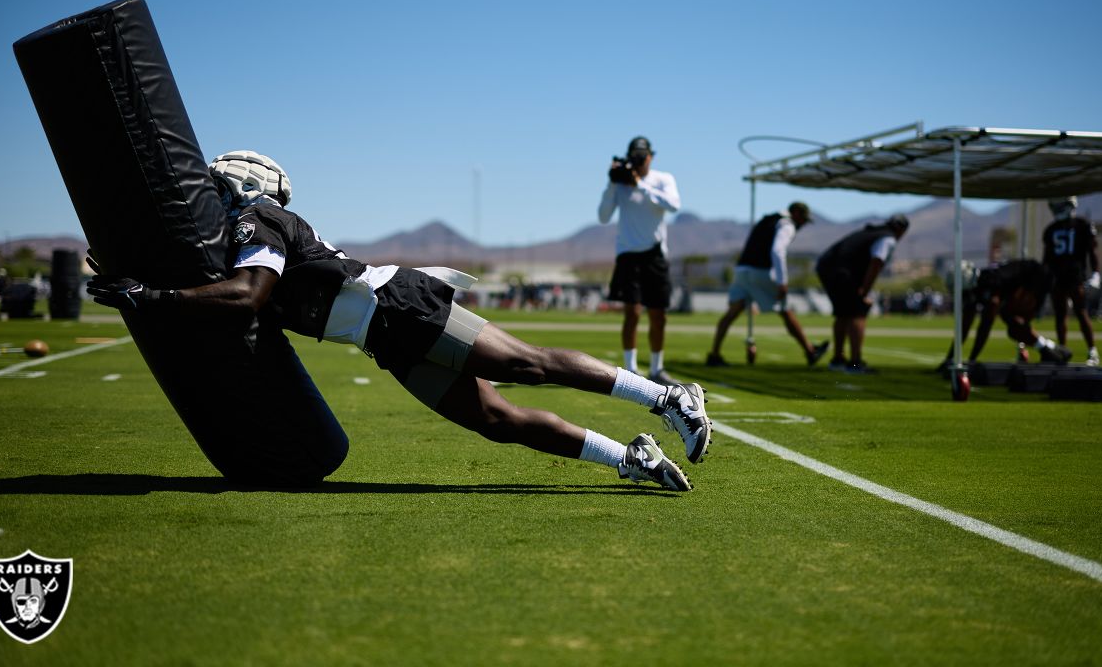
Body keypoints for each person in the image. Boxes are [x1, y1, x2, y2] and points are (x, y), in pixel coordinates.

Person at [87, 151, 712, 491]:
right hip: (380, 338)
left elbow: (246, 297)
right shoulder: (243, 236)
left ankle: (667, 397)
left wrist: (153, 296)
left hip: (398, 307)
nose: (212, 194)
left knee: (527, 364)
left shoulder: (260, 220)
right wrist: (134, 265)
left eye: (219, 184)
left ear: (243, 182)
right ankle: (628, 457)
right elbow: (220, 282)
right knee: (496, 419)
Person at [705, 201, 828, 367]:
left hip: (742, 271)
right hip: (759, 271)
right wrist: (782, 281)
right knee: (785, 310)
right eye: (804, 220)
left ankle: (714, 354)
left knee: (732, 313)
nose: (803, 225)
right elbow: (777, 251)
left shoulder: (767, 220)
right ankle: (810, 351)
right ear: (797, 214)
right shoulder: (787, 225)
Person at [598, 136, 680, 383]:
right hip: (628, 255)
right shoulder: (620, 184)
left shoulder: (663, 179)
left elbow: (674, 205)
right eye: (634, 157)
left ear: (650, 157)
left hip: (655, 254)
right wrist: (612, 183)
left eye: (642, 157)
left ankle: (657, 368)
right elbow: (603, 216)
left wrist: (640, 184)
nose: (639, 162)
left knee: (658, 314)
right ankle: (631, 370)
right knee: (632, 312)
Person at [935, 259, 1073, 372]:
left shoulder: (990, 286)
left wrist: (971, 360)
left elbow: (984, 327)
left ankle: (1049, 351)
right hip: (1030, 279)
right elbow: (964, 328)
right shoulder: (976, 289)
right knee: (1014, 329)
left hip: (1038, 278)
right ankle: (1051, 349)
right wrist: (949, 359)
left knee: (1011, 320)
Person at [814, 214, 909, 374]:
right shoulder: (887, 238)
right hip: (843, 273)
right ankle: (855, 362)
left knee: (843, 314)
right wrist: (865, 291)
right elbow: (876, 263)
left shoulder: (870, 232)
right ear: (900, 229)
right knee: (857, 313)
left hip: (827, 268)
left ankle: (838, 359)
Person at [1042, 196, 1101, 366]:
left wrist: (1096, 273)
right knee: (1060, 316)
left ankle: (1092, 351)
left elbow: (1092, 251)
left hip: (1075, 276)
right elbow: (1046, 258)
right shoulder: (1051, 229)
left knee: (1081, 313)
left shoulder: (1082, 225)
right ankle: (1063, 352)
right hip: (1057, 277)